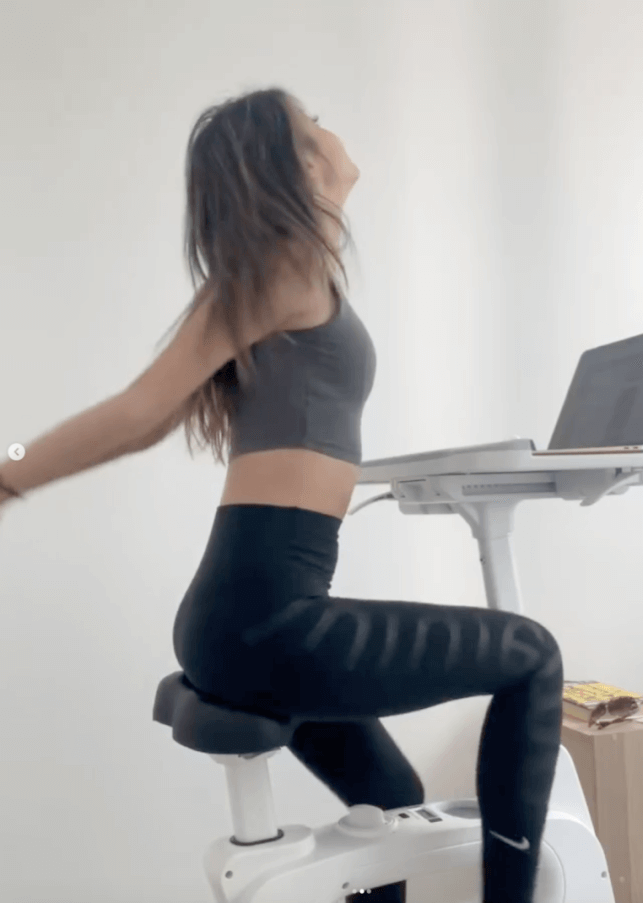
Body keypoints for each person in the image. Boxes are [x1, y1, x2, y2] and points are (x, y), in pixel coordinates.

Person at [0, 87, 563, 903]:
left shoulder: (297, 271)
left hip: (247, 615)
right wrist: (9, 470)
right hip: (266, 619)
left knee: (392, 803)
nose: (331, 129)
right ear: (295, 159)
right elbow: (138, 411)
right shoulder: (281, 269)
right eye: (314, 121)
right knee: (531, 654)